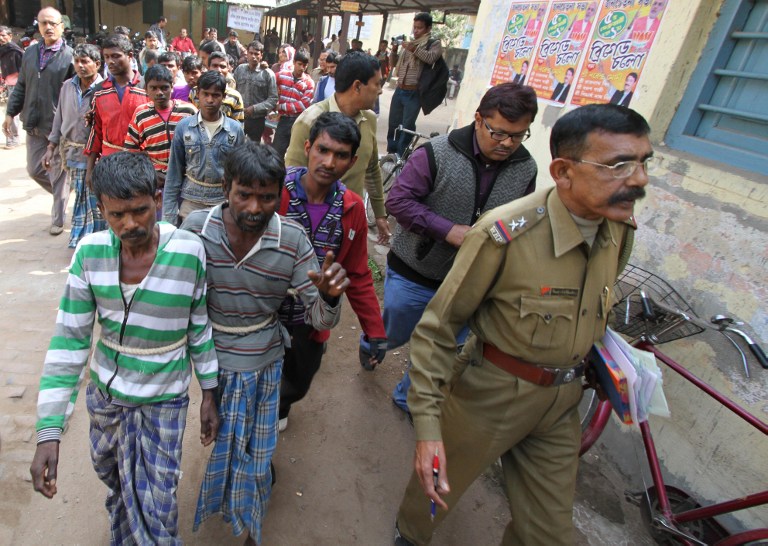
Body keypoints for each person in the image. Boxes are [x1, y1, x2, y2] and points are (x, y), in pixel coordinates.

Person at [393, 103, 651, 545]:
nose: (639, 179)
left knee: (549, 532)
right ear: (564, 171)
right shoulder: (502, 236)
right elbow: (438, 329)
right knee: (435, 492)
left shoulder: (619, 233)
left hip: (563, 402)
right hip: (490, 395)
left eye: (644, 163)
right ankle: (410, 534)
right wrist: (429, 430)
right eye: (618, 166)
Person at [29, 151, 220, 545]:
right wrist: (49, 431)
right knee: (116, 481)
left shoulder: (189, 251)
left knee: (158, 501)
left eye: (139, 211)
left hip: (164, 401)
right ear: (100, 208)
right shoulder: (89, 254)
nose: (130, 224)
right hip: (106, 401)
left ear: (156, 198)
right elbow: (70, 340)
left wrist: (209, 392)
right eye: (117, 215)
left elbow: (199, 326)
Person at [184, 141, 349, 546]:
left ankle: (251, 521)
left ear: (280, 196)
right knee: (226, 439)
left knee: (257, 455)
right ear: (226, 188)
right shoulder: (195, 232)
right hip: (212, 363)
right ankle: (234, 498)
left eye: (267, 198)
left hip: (264, 361)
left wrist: (328, 297)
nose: (255, 208)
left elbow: (319, 318)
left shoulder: (292, 241)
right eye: (245, 195)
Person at [383, 83, 539, 415]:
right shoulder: (436, 153)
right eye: (499, 133)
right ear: (479, 119)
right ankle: (373, 345)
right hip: (414, 272)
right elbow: (397, 201)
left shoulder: (526, 169)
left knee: (440, 352)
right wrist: (448, 230)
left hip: (470, 284)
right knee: (391, 331)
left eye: (518, 135)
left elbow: (521, 221)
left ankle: (409, 399)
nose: (508, 143)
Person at [278, 112, 386, 431]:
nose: (328, 161)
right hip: (265, 315)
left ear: (351, 162)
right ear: (308, 147)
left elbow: (358, 273)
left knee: (298, 381)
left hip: (311, 322)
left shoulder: (350, 208)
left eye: (340, 155)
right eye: (322, 150)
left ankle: (282, 404)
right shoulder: (274, 193)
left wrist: (374, 329)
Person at [285, 51, 390, 244]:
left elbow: (372, 169)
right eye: (377, 83)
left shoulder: (370, 121)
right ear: (357, 86)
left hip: (348, 220)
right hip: (310, 225)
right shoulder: (309, 121)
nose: (380, 90)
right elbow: (291, 180)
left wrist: (380, 215)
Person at [4, 7, 74, 235]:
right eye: (44, 23)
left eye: (53, 23)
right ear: (39, 26)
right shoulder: (30, 54)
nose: (48, 27)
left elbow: (76, 93)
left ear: (62, 27)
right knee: (34, 170)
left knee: (58, 171)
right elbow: (22, 85)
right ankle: (63, 193)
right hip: (34, 122)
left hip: (58, 125)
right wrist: (10, 113)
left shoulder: (70, 56)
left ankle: (58, 219)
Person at [163, 70, 245, 225]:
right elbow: (174, 174)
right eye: (205, 94)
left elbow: (240, 174)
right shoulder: (184, 127)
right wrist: (168, 219)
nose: (210, 100)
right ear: (197, 94)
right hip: (191, 203)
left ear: (223, 97)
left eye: (215, 95)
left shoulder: (235, 130)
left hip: (223, 203)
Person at [44, 43, 105, 248]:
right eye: (77, 61)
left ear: (97, 64)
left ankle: (91, 240)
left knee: (93, 197)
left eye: (85, 61)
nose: (80, 66)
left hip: (96, 154)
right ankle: (83, 240)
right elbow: (59, 119)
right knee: (81, 195)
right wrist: (51, 147)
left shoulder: (104, 90)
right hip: (71, 151)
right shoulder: (67, 87)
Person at [84, 34, 149, 188]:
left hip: (140, 163)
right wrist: (90, 170)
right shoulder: (99, 91)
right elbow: (96, 131)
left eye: (116, 56)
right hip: (109, 162)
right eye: (106, 57)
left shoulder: (146, 87)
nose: (110, 62)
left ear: (130, 56)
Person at [124, 65, 197, 194]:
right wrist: (150, 172)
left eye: (164, 88)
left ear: (172, 87)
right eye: (154, 88)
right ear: (146, 89)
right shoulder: (141, 114)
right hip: (155, 180)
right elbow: (131, 150)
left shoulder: (188, 111)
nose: (159, 93)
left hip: (188, 178)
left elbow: (200, 145)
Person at [387, 13, 443, 156]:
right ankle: (391, 152)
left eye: (420, 28)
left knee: (407, 126)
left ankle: (402, 153)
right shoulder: (409, 44)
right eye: (415, 27)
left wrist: (413, 49)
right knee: (394, 123)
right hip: (400, 89)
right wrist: (394, 51)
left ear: (428, 28)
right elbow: (394, 65)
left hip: (414, 92)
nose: (416, 31)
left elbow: (431, 58)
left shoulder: (433, 44)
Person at [272, 49, 314, 157]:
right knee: (276, 152)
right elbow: (270, 83)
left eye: (304, 65)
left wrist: (281, 106)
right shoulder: (282, 75)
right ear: (294, 62)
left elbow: (303, 105)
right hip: (284, 120)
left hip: (298, 120)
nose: (301, 68)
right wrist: (273, 101)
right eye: (299, 64)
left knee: (295, 154)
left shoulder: (309, 83)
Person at [233, 40, 277, 142]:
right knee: (235, 147)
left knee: (253, 150)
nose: (253, 56)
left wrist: (255, 108)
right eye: (251, 53)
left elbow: (273, 99)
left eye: (256, 54)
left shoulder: (268, 74)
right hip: (239, 117)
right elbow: (232, 91)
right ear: (247, 54)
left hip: (257, 120)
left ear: (261, 55)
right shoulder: (239, 69)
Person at [189, 50, 245, 121]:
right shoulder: (195, 91)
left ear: (228, 69)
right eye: (214, 65)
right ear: (208, 67)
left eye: (222, 66)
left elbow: (238, 127)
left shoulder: (235, 97)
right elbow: (190, 118)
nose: (218, 70)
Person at [0, 26, 23, 149]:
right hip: (9, 85)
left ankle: (14, 138)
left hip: (19, 86)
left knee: (12, 112)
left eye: (4, 35)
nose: (1, 38)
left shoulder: (15, 51)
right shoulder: (3, 51)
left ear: (10, 36)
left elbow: (24, 70)